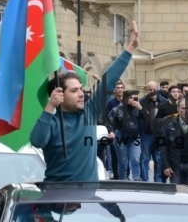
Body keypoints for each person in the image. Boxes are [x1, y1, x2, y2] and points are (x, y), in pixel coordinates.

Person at [30, 22, 139, 182]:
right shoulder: (51, 123)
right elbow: (37, 140)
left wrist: (130, 48)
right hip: (57, 198)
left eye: (81, 89)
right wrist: (49, 107)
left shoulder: (88, 112)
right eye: (74, 91)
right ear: (58, 95)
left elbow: (109, 81)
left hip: (88, 198)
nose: (81, 94)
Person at [158, 98, 188, 187]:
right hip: (175, 164)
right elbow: (163, 146)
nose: (186, 111)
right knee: (176, 191)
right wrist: (166, 165)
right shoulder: (169, 124)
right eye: (183, 108)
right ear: (178, 109)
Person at [107, 90, 145, 181]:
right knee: (123, 162)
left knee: (135, 160)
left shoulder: (137, 109)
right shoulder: (116, 109)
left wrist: (140, 108)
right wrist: (111, 131)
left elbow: (147, 119)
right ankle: (123, 181)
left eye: (135, 98)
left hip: (135, 136)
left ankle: (136, 180)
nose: (133, 100)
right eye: (131, 98)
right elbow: (109, 122)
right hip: (121, 136)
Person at [138, 80, 167, 182]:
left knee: (158, 158)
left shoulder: (164, 101)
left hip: (159, 135)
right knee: (145, 157)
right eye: (150, 90)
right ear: (147, 90)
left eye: (154, 89)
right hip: (146, 133)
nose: (152, 92)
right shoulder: (142, 101)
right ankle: (145, 180)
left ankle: (158, 180)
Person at [104, 80, 125, 179]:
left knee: (125, 154)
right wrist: (110, 131)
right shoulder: (111, 103)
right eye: (118, 88)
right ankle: (114, 174)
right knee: (114, 153)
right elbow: (107, 118)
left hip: (126, 131)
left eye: (121, 88)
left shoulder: (127, 101)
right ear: (115, 90)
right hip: (114, 132)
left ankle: (125, 174)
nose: (120, 90)